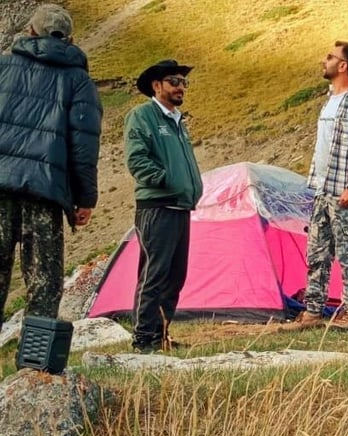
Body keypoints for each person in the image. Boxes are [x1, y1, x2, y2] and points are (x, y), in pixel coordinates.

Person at [0, 4, 102, 333]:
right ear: (70, 39)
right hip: (46, 193)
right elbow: (83, 146)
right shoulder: (78, 80)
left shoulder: (2, 66)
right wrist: (84, 199)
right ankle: (35, 370)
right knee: (44, 283)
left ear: (30, 31)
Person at [295, 41, 348, 331]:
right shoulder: (329, 101)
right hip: (322, 189)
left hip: (345, 191)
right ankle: (312, 313)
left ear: (343, 66)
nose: (323, 60)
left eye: (329, 57)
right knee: (317, 253)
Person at [124, 59, 202, 353]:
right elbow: (136, 159)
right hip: (157, 207)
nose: (180, 86)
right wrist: (165, 180)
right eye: (174, 81)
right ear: (157, 86)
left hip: (180, 207)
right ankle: (143, 338)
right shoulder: (142, 116)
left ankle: (161, 335)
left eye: (183, 81)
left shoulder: (177, 120)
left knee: (175, 275)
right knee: (154, 274)